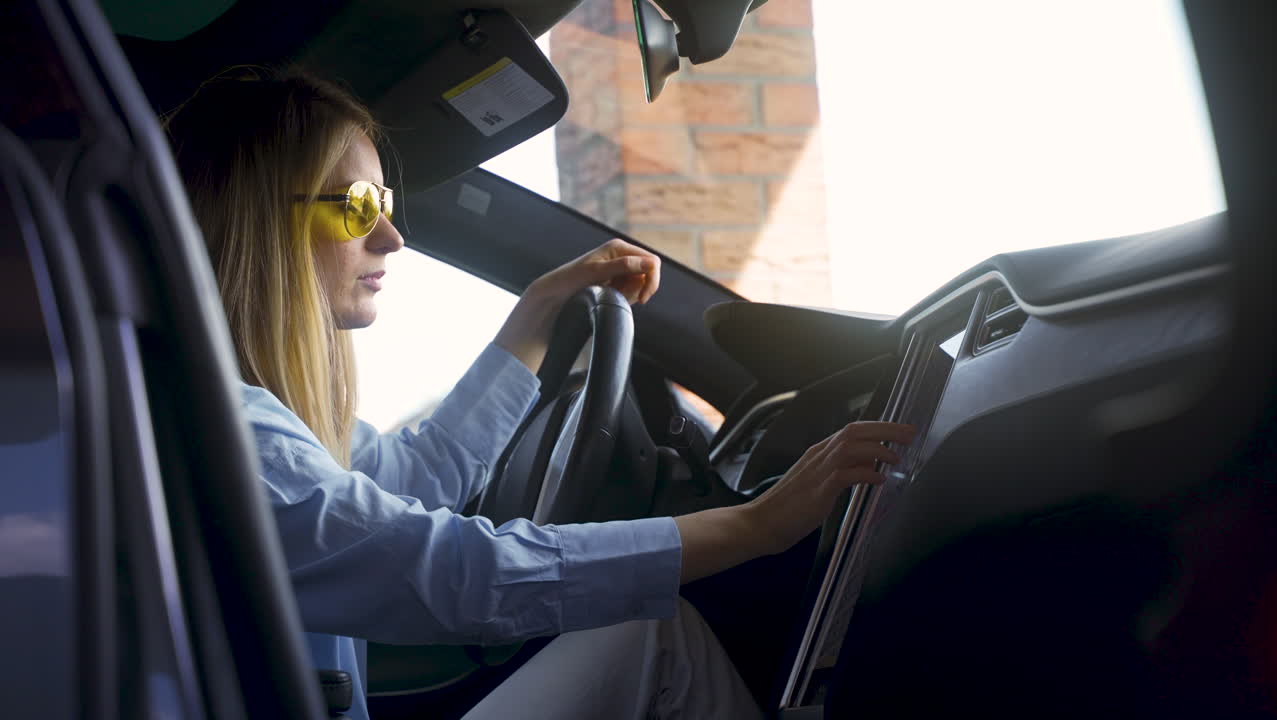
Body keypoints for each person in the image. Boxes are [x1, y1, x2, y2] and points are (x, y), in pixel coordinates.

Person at [163, 68, 915, 720]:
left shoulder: (251, 416)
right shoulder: (233, 438)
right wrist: (758, 525)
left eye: (386, 201)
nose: (393, 235)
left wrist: (539, 311)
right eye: (357, 204)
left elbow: (412, 480)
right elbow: (460, 576)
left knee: (646, 637)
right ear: (262, 224)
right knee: (659, 641)